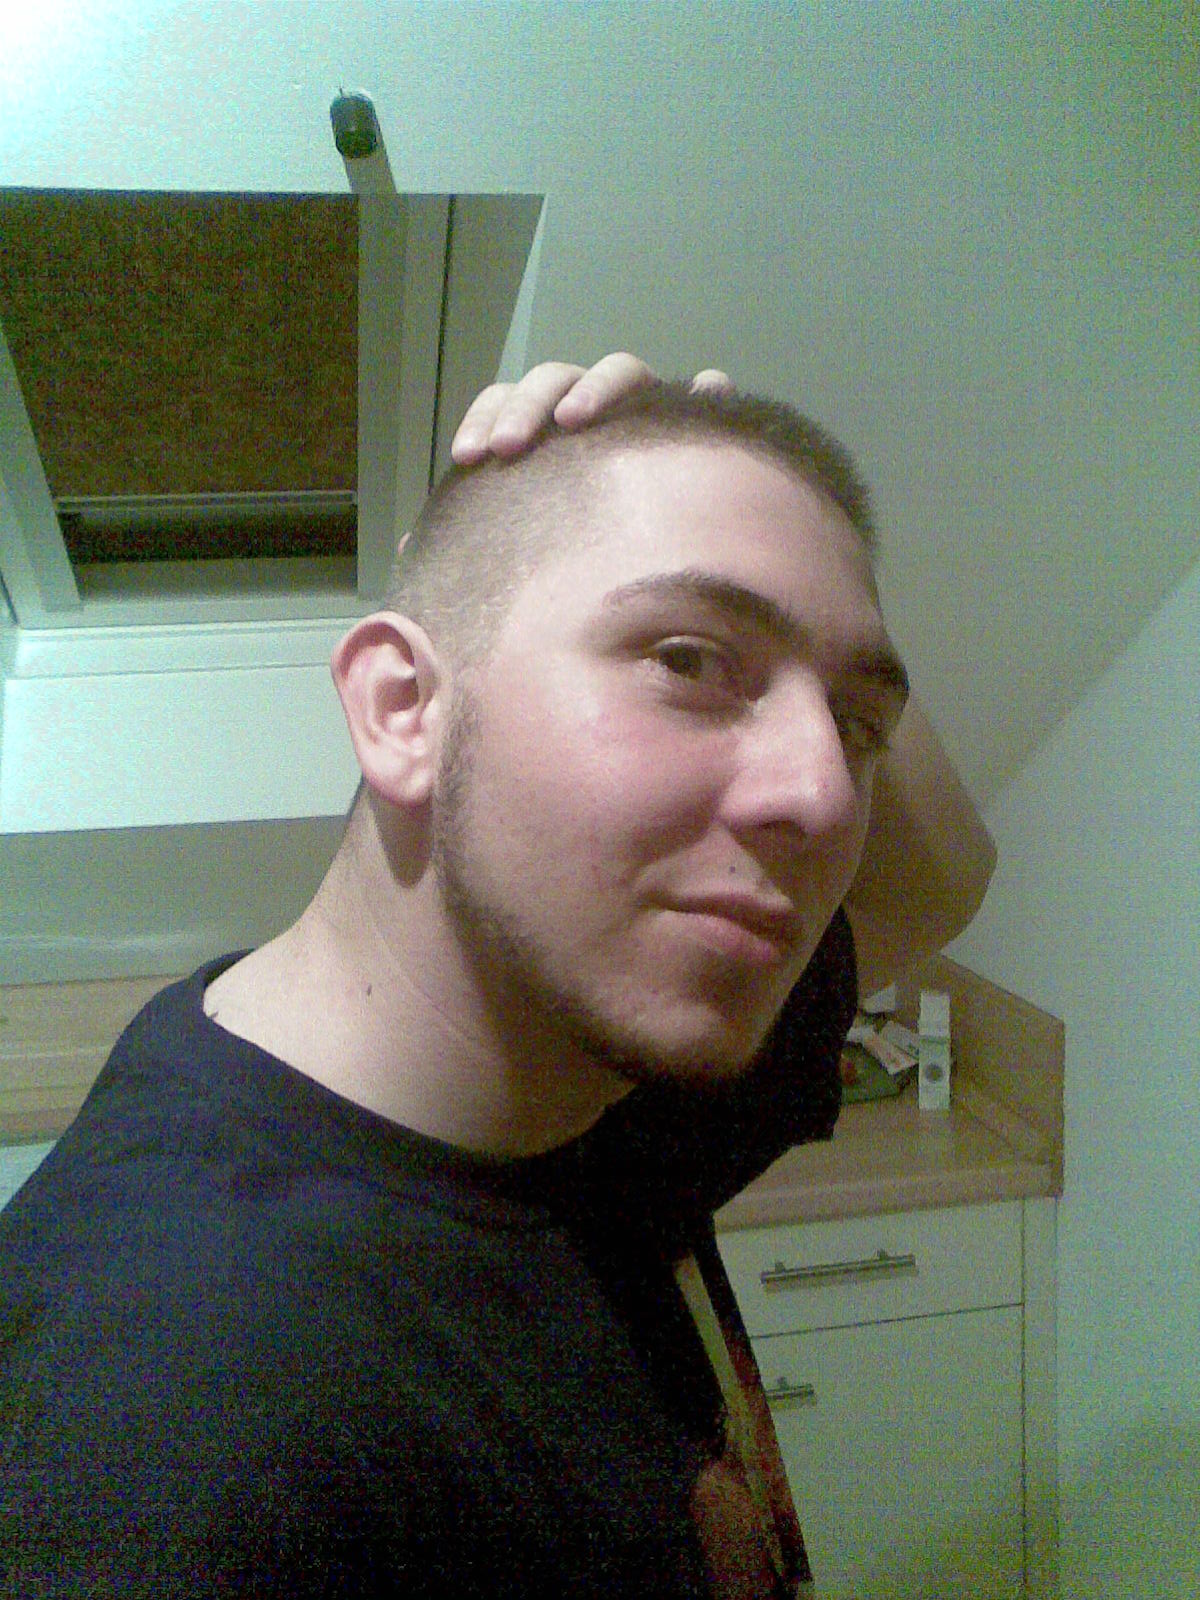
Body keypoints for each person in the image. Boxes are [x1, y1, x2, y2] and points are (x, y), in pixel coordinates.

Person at [0, 356, 994, 1599]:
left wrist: (768, 514)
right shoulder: (181, 1423)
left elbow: (932, 884)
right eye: (691, 659)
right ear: (402, 707)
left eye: (854, 727)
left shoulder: (574, 1075)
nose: (826, 794)